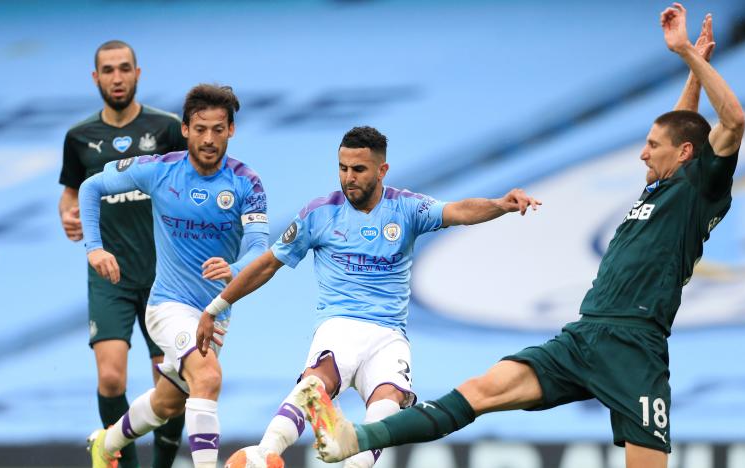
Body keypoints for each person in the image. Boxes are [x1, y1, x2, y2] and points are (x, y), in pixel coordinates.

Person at [296, 5, 744, 468]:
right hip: (585, 333)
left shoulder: (702, 190)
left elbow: (732, 122)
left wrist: (689, 54)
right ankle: (355, 438)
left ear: (685, 155)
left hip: (636, 347)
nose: (642, 154)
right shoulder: (666, 183)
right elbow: (681, 127)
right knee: (478, 390)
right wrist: (693, 71)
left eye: (652, 147)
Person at [196, 126, 541, 467]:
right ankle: (263, 453)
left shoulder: (406, 209)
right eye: (343, 168)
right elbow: (267, 264)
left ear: (382, 170)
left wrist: (500, 204)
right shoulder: (320, 214)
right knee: (320, 378)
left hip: (389, 335)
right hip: (340, 324)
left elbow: (460, 211)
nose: (348, 178)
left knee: (387, 403)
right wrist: (216, 307)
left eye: (358, 169)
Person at [82, 84, 270, 468]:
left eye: (218, 129)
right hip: (168, 305)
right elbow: (91, 186)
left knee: (168, 402)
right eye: (200, 128)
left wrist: (234, 269)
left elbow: (257, 249)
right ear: (185, 129)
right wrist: (94, 247)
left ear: (231, 130)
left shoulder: (246, 183)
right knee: (208, 377)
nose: (209, 138)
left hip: (215, 313)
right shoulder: (160, 170)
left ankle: (106, 443)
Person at [58, 39, 188, 468]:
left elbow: (193, 184)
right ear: (96, 78)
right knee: (111, 378)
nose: (117, 78)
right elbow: (70, 194)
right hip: (108, 273)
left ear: (138, 73)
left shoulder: (167, 129)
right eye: (108, 70)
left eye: (124, 68)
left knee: (170, 383)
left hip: (163, 276)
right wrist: (69, 216)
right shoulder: (79, 138)